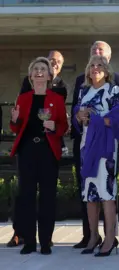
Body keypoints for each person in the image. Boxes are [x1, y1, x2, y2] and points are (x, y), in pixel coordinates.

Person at [71, 41, 119, 249]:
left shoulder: (113, 91)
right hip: (87, 146)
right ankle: (93, 237)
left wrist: (95, 118)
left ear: (107, 70)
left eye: (100, 66)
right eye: (92, 66)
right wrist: (80, 116)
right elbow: (77, 115)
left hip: (105, 148)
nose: (95, 69)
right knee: (89, 194)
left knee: (106, 194)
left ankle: (109, 239)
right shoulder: (82, 91)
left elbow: (118, 118)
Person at [9, 57, 68, 255]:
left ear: (50, 75)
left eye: (43, 69)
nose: (39, 72)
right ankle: (28, 241)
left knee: (47, 197)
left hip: (47, 151)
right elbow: (15, 127)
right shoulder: (24, 98)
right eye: (36, 69)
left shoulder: (57, 99)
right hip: (27, 151)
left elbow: (63, 126)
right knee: (26, 196)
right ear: (31, 75)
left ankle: (45, 241)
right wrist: (14, 120)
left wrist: (54, 127)